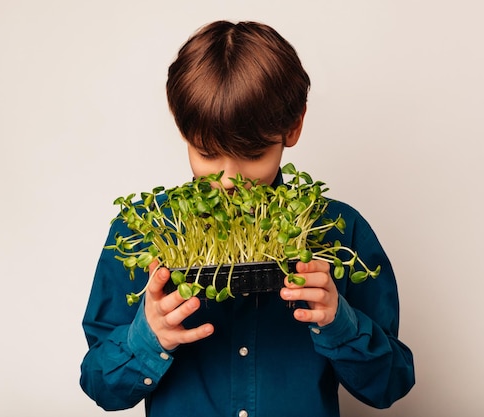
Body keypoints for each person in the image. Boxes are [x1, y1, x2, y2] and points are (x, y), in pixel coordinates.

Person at [80, 20, 415, 416]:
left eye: (253, 154)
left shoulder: (338, 230)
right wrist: (147, 337)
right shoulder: (143, 230)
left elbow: (390, 384)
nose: (229, 180)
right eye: (207, 154)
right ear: (182, 129)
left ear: (293, 127)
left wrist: (341, 322)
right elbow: (101, 386)